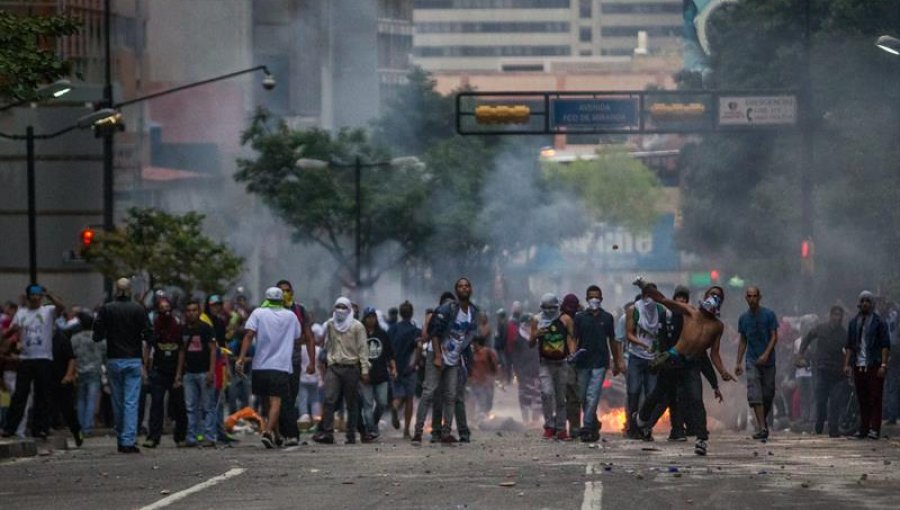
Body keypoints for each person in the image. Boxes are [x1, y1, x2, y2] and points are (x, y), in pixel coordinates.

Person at [631, 280, 734, 456]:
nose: (714, 298)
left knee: (695, 399)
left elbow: (714, 353)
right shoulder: (690, 311)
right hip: (672, 359)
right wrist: (645, 286)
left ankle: (701, 439)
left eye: (718, 296)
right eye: (712, 294)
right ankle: (641, 418)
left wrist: (722, 371)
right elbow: (663, 300)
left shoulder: (717, 326)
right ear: (705, 297)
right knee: (658, 394)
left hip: (691, 365)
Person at [237, 287, 308, 448]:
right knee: (276, 402)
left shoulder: (258, 313)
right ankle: (268, 431)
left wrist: (240, 359)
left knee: (266, 403)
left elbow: (248, 335)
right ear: (282, 299)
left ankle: (276, 435)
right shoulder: (291, 316)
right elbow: (298, 336)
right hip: (280, 366)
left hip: (260, 366)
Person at [414, 278, 478, 443]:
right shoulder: (447, 308)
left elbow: (468, 337)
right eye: (461, 286)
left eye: (467, 286)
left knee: (450, 395)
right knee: (428, 392)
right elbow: (434, 332)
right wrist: (437, 356)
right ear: (456, 290)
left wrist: (468, 362)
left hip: (454, 359)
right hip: (437, 355)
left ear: (471, 289)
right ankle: (418, 432)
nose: (464, 288)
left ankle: (445, 433)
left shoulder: (473, 311)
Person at [92, 278, 152, 453]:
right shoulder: (138, 309)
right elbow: (149, 334)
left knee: (117, 401)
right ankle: (128, 439)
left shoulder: (107, 309)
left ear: (116, 290)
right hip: (133, 358)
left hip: (114, 359)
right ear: (130, 290)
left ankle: (121, 436)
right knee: (130, 402)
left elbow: (97, 334)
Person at [1, 285, 65, 440]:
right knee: (20, 395)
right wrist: (11, 331)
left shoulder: (47, 311)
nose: (36, 299)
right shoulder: (21, 313)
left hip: (43, 358)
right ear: (28, 297)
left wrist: (49, 294)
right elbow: (9, 333)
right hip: (26, 359)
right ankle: (10, 427)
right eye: (33, 296)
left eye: (38, 296)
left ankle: (40, 428)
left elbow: (61, 307)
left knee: (42, 395)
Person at [314, 297, 369, 445]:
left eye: (343, 307)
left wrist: (364, 369)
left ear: (350, 309)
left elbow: (363, 349)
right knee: (329, 399)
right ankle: (327, 433)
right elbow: (328, 344)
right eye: (337, 307)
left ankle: (351, 434)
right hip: (334, 367)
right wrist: (327, 364)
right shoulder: (330, 325)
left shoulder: (357, 327)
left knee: (352, 403)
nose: (340, 310)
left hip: (351, 368)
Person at [573, 285, 621, 443]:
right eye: (591, 296)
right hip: (582, 363)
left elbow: (612, 341)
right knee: (582, 397)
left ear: (601, 299)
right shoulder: (579, 318)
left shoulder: (607, 318)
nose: (594, 299)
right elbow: (574, 339)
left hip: (600, 362)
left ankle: (586, 427)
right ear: (587, 299)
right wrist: (572, 355)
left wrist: (617, 361)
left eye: (597, 297)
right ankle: (593, 423)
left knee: (592, 395)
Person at [843, 291, 891, 439]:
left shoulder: (879, 322)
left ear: (872, 304)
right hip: (859, 364)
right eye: (862, 301)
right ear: (859, 303)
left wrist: (883, 364)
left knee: (875, 398)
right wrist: (847, 364)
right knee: (862, 398)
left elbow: (885, 345)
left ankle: (874, 429)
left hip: (874, 363)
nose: (865, 303)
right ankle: (863, 428)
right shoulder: (853, 323)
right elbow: (850, 346)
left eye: (868, 301)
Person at [735, 286, 779, 441]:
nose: (752, 299)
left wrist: (766, 354)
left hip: (769, 361)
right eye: (749, 296)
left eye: (755, 296)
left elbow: (774, 336)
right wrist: (738, 362)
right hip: (752, 360)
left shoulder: (769, 315)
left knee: (768, 393)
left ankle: (761, 420)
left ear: (760, 297)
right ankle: (762, 427)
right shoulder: (743, 318)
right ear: (746, 298)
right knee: (755, 393)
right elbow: (743, 340)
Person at [530, 293, 576, 441]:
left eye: (552, 307)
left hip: (562, 363)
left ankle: (561, 429)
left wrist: (572, 353)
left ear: (557, 306)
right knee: (547, 393)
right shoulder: (537, 320)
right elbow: (530, 342)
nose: (549, 310)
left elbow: (571, 338)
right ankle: (549, 426)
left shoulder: (565, 319)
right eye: (546, 307)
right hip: (545, 363)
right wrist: (537, 334)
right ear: (541, 307)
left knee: (561, 398)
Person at [276, 280, 315, 446]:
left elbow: (309, 336)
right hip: (275, 360)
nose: (284, 294)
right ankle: (288, 433)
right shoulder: (268, 310)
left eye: (287, 290)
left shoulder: (300, 310)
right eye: (281, 291)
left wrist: (312, 362)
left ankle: (286, 433)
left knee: (291, 397)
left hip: (294, 359)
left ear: (292, 292)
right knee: (279, 398)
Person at [143, 299, 186, 448]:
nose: (165, 310)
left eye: (167, 307)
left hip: (174, 371)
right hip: (158, 371)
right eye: (162, 308)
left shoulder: (177, 326)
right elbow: (148, 347)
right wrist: (145, 368)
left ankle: (180, 437)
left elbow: (181, 350)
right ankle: (153, 437)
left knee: (179, 406)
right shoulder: (154, 327)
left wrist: (178, 374)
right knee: (156, 404)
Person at [798, 306, 847, 437]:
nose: (837, 318)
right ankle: (819, 427)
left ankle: (833, 429)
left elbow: (849, 350)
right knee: (821, 401)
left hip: (838, 373)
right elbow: (808, 338)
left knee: (835, 402)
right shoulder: (821, 328)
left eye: (839, 315)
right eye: (835, 315)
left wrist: (848, 365)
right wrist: (801, 354)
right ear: (830, 316)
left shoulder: (843, 333)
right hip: (823, 370)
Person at [625, 285, 666, 439]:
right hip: (636, 356)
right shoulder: (633, 310)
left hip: (654, 359)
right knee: (633, 391)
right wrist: (642, 344)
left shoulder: (661, 311)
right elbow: (629, 333)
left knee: (651, 394)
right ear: (642, 295)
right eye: (647, 295)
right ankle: (632, 427)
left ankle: (646, 427)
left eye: (653, 296)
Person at [178, 300, 217, 447]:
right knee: (190, 407)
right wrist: (178, 374)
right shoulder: (183, 330)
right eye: (189, 310)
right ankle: (191, 437)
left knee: (207, 407)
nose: (191, 313)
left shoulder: (206, 328)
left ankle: (209, 436)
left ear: (199, 312)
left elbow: (213, 350)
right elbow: (182, 352)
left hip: (204, 372)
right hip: (189, 374)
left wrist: (211, 372)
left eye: (194, 310)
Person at [360, 306, 396, 442]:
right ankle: (371, 430)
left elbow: (389, 353)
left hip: (381, 375)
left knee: (382, 403)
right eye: (368, 317)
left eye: (373, 317)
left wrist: (393, 368)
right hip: (365, 376)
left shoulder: (382, 334)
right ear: (364, 318)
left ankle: (372, 424)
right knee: (367, 405)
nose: (371, 319)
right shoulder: (359, 334)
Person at [388, 301, 420, 439]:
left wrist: (390, 365)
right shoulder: (415, 330)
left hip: (395, 367)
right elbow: (419, 347)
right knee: (409, 398)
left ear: (400, 313)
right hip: (409, 368)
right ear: (411, 313)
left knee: (398, 395)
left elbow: (387, 348)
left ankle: (395, 407)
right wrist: (414, 364)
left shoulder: (392, 329)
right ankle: (406, 430)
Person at [71, 312, 105, 437]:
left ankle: (80, 426)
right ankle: (88, 427)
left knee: (80, 399)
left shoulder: (75, 338)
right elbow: (105, 353)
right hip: (95, 370)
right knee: (91, 399)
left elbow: (72, 355)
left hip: (79, 371)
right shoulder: (99, 338)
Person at [50, 327, 82, 446]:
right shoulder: (43, 338)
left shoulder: (61, 338)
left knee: (68, 409)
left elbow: (71, 358)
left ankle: (77, 434)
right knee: (48, 407)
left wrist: (68, 375)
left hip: (62, 379)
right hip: (47, 379)